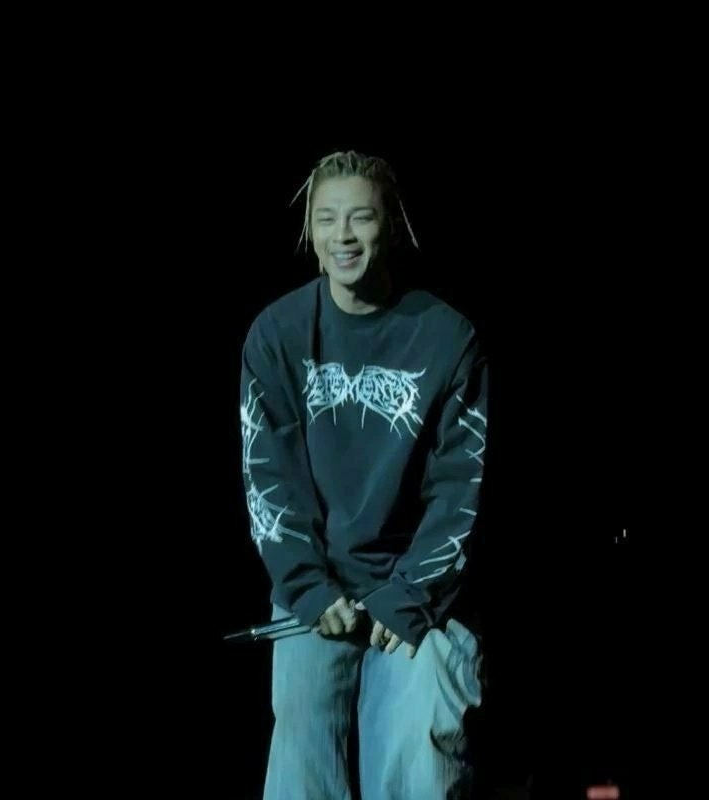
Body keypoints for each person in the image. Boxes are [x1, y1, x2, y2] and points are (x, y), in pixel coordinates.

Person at [239, 150, 489, 799]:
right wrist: (308, 588)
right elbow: (270, 477)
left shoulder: (447, 337)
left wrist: (410, 596)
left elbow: (460, 488)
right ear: (310, 232)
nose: (343, 235)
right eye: (327, 219)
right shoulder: (276, 334)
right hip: (315, 593)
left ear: (392, 225)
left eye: (361, 217)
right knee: (300, 774)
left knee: (419, 764)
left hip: (421, 596)